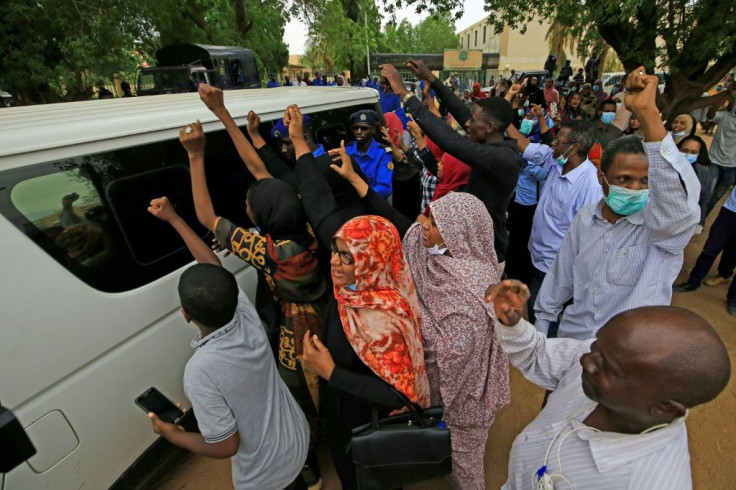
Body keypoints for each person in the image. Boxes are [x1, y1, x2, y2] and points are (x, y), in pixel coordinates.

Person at [177, 118, 327, 487]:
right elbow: (262, 172)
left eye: (250, 205)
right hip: (327, 317)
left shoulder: (269, 252)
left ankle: (308, 463)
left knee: (299, 393)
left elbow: (206, 217)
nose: (246, 205)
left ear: (263, 218)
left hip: (296, 333)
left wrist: (195, 156)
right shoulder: (311, 228)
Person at [485, 280, 731, 490]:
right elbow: (540, 353)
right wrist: (512, 323)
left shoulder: (644, 482)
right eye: (596, 346)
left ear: (665, 409)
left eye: (609, 369)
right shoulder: (606, 359)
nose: (585, 361)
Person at [291, 118, 429, 488]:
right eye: (334, 252)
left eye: (346, 257)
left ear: (370, 261)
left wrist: (330, 372)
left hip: (376, 431)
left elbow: (401, 394)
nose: (334, 262)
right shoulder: (349, 289)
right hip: (344, 422)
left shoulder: (386, 316)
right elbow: (318, 206)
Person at [145, 197, 309, 490]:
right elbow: (213, 264)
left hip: (266, 475)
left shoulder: (200, 371)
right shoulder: (244, 315)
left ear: (186, 315)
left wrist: (173, 435)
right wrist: (174, 218)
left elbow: (226, 446)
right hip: (294, 440)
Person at [533, 67, 701, 340]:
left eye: (645, 181)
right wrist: (543, 340)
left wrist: (649, 115)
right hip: (574, 346)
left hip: (630, 360)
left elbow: (677, 206)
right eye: (624, 179)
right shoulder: (587, 219)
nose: (635, 189)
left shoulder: (660, 230)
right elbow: (559, 280)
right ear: (602, 177)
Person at [403, 193, 510, 489]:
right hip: (452, 385)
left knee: (465, 461)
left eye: (436, 224)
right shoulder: (442, 254)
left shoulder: (472, 294)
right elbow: (414, 234)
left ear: (458, 234)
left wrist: (409, 314)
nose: (425, 226)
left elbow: (450, 354)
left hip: (466, 397)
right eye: (429, 216)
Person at [381, 59, 523, 270]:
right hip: (468, 248)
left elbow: (451, 141)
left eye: (473, 121)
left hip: (484, 258)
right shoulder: (490, 139)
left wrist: (404, 94)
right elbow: (463, 113)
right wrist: (431, 78)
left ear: (490, 127)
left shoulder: (503, 159)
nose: (467, 124)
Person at [505, 101, 603, 325]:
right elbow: (523, 145)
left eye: (559, 140)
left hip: (554, 267)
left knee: (544, 318)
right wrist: (504, 119)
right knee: (535, 309)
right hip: (535, 254)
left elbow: (588, 236)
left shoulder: (589, 187)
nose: (554, 143)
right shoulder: (555, 161)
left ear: (574, 148)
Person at [673, 186, 736, 316]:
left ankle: (733, 298)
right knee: (711, 248)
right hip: (730, 211)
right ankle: (692, 282)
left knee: (732, 252)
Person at [344, 109, 394, 199]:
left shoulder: (383, 153)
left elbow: (385, 188)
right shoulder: (346, 150)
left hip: (374, 203)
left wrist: (361, 193)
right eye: (355, 128)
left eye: (364, 128)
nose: (359, 131)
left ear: (373, 130)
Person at [702, 83, 736, 215]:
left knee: (717, 196)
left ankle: (703, 219)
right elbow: (711, 114)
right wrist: (727, 93)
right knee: (707, 193)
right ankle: (698, 219)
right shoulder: (724, 117)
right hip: (715, 162)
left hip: (732, 167)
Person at [677, 135, 713, 233]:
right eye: (684, 150)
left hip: (686, 222)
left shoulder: (703, 174)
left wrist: (700, 222)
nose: (688, 154)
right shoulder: (665, 168)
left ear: (699, 154)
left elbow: (705, 198)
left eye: (693, 152)